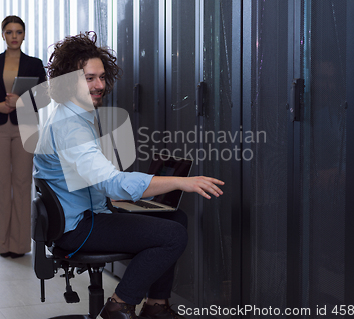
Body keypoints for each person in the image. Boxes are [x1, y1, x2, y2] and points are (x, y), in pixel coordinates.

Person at [33, 32, 224, 319]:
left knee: (175, 218)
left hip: (85, 214)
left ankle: (155, 306)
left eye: (101, 77)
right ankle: (119, 305)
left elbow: (97, 177)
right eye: (89, 78)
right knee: (172, 236)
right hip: (78, 229)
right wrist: (181, 181)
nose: (100, 85)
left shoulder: (75, 114)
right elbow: (110, 182)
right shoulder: (70, 126)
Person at [0, 15, 47, 258]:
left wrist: (21, 101)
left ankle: (19, 245)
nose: (14, 36)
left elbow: (45, 96)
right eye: (9, 32)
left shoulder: (35, 64)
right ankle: (2, 244)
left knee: (23, 184)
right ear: (3, 35)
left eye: (18, 32)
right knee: (2, 185)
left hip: (25, 127)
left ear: (24, 35)